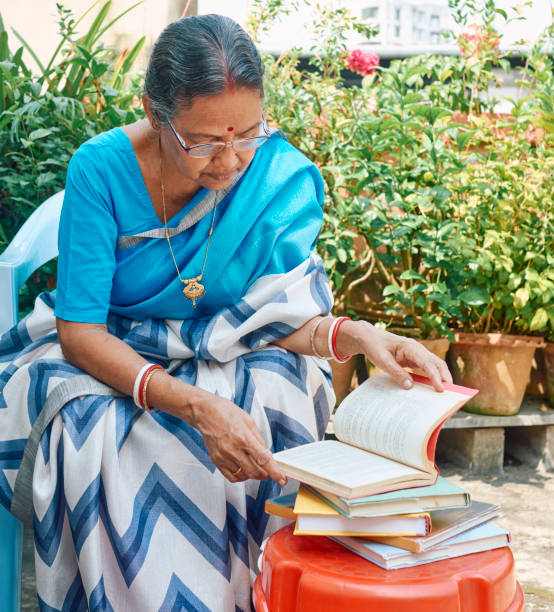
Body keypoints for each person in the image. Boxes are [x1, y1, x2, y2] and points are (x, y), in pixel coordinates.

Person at [0, 14, 452, 612]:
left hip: (223, 342)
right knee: (89, 428)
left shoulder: (270, 174)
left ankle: (265, 592)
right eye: (206, 140)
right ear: (153, 112)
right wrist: (192, 404)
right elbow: (80, 333)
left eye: (249, 133)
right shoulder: (101, 169)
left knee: (277, 391)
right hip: (113, 342)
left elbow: (270, 318)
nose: (232, 160)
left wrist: (361, 335)